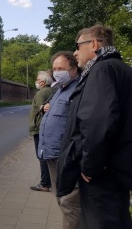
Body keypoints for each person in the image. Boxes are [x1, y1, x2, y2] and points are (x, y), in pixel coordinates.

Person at [57, 25, 132, 228]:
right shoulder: (122, 69)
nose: (75, 52)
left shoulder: (101, 69)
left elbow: (98, 122)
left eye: (78, 46)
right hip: (119, 167)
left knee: (100, 221)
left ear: (94, 44)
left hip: (101, 173)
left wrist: (91, 165)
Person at [38, 51, 82, 228]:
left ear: (73, 68)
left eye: (61, 68)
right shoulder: (60, 88)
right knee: (61, 199)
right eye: (54, 68)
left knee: (70, 203)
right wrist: (43, 108)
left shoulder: (79, 89)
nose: (56, 72)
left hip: (66, 156)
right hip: (52, 154)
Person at [29, 71, 54, 192]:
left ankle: (44, 183)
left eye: (37, 79)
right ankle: (50, 181)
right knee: (48, 156)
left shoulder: (41, 93)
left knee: (41, 156)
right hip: (48, 128)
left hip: (39, 128)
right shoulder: (52, 91)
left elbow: (41, 110)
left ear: (43, 82)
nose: (36, 81)